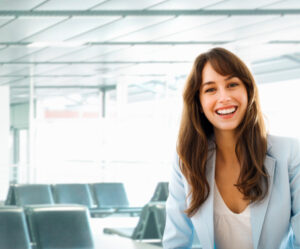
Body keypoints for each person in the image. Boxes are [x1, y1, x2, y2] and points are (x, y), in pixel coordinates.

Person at [163, 47, 300, 249]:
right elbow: (176, 241)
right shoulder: (186, 158)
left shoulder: (290, 153)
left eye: (232, 84)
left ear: (248, 92)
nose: (224, 97)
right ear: (199, 102)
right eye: (210, 89)